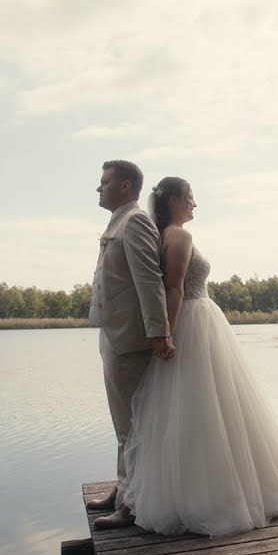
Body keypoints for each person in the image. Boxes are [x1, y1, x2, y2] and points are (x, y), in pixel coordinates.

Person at [117, 176, 278, 536]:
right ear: (172, 199)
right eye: (189, 197)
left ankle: (191, 492)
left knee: (194, 413)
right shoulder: (179, 235)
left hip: (195, 323)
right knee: (208, 410)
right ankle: (212, 499)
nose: (194, 204)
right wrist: (168, 334)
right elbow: (173, 287)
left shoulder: (162, 235)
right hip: (193, 324)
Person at [87, 160, 175, 530]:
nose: (98, 188)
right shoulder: (118, 221)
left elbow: (149, 281)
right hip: (113, 335)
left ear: (126, 186)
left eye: (104, 181)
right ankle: (124, 489)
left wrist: (159, 332)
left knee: (134, 425)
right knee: (122, 424)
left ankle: (132, 506)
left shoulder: (135, 221)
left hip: (131, 341)